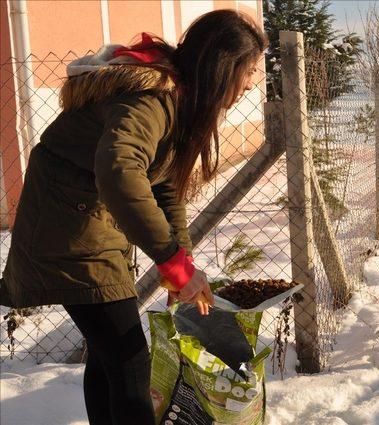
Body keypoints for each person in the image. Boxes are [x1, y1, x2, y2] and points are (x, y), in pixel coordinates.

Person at [0, 10, 267, 425]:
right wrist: (172, 261)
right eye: (249, 70)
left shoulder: (179, 98)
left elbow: (162, 185)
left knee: (109, 354)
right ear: (222, 67)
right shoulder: (151, 100)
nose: (252, 82)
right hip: (67, 225)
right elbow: (121, 173)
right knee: (128, 360)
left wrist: (181, 260)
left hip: (88, 217)